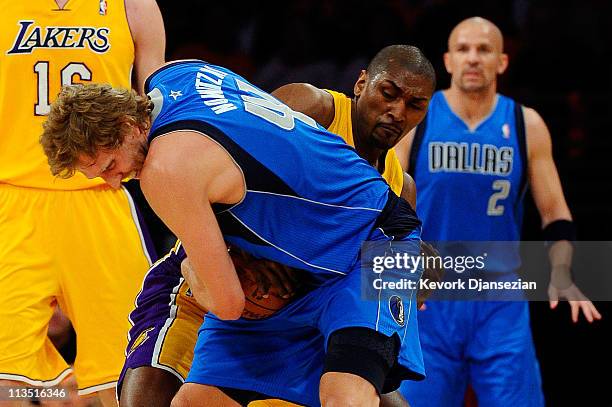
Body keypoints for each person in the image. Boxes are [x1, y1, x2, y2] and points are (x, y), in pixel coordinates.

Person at [40, 54, 431, 406]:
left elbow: (228, 304)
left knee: (349, 394)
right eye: (389, 95)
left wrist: (195, 270)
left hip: (365, 247)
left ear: (128, 125)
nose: (113, 182)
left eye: (109, 165)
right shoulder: (178, 74)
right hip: (275, 258)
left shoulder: (163, 171)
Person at [395, 17, 602, 406]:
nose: (473, 58)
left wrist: (561, 269)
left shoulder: (527, 124)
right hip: (428, 296)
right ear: (448, 60)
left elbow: (554, 209)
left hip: (499, 298)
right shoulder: (417, 119)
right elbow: (386, 203)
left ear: (502, 61)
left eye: (484, 49)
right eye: (463, 49)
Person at [0, 0, 165, 405]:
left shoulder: (135, 6)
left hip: (100, 195)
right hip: (12, 197)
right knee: (6, 385)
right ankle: (63, 391)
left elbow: (159, 106)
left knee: (125, 381)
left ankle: (67, 392)